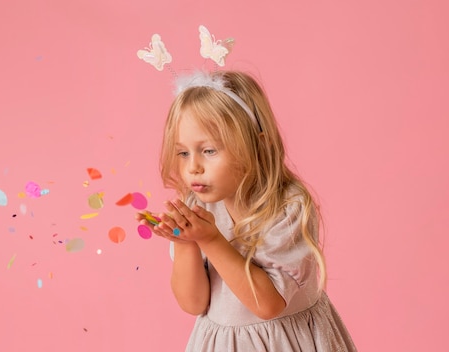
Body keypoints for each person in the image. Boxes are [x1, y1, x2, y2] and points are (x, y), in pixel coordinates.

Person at [136, 70, 356, 351]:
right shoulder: (198, 205)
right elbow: (193, 304)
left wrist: (210, 239)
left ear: (258, 147)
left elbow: (268, 304)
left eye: (209, 151)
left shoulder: (288, 207)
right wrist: (184, 244)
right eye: (183, 153)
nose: (193, 167)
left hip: (285, 342)